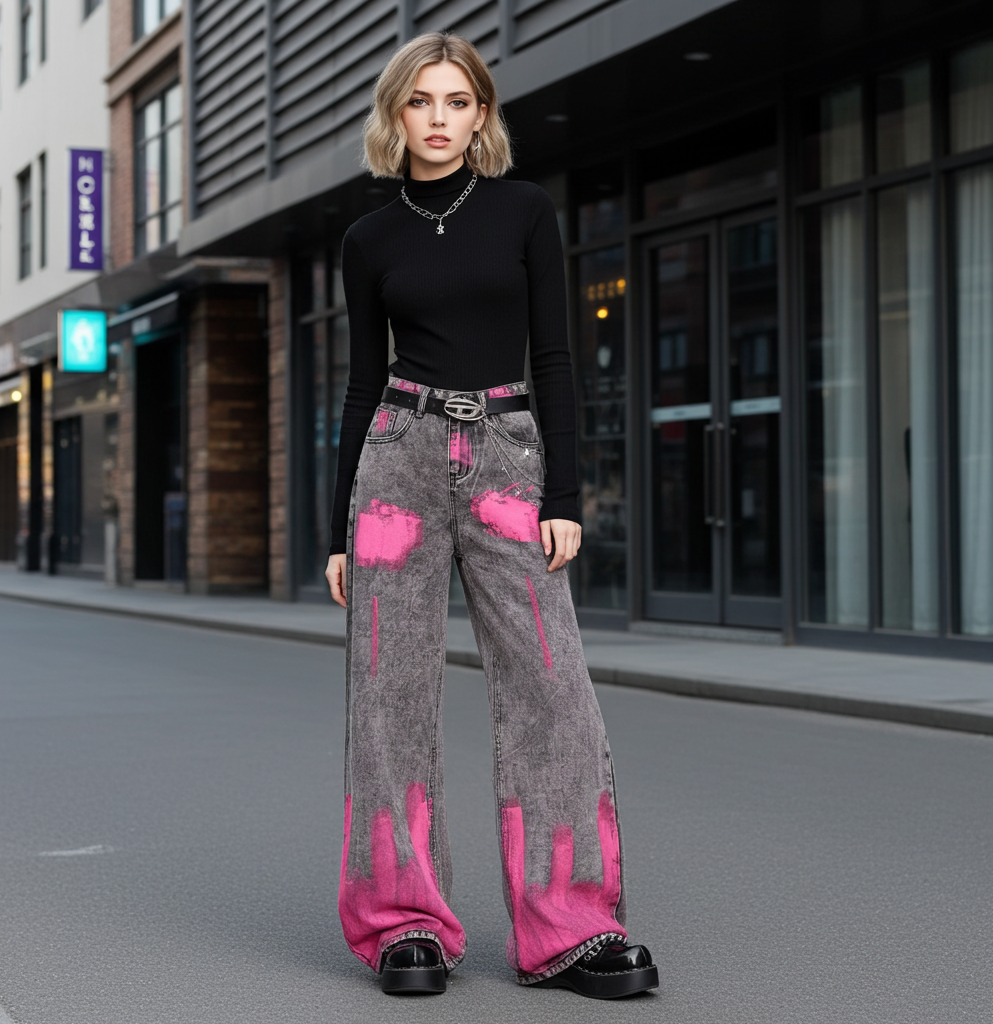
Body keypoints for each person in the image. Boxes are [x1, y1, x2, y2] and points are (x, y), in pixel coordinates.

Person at [324, 30, 659, 1000]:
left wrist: (566, 494)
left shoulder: (523, 212)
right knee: (388, 694)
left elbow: (555, 356)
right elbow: (357, 386)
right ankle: (403, 924)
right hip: (397, 460)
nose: (438, 119)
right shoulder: (367, 240)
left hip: (509, 455)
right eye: (420, 101)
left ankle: (571, 926)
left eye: (456, 101)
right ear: (397, 115)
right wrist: (336, 525)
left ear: (482, 114)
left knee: (552, 690)